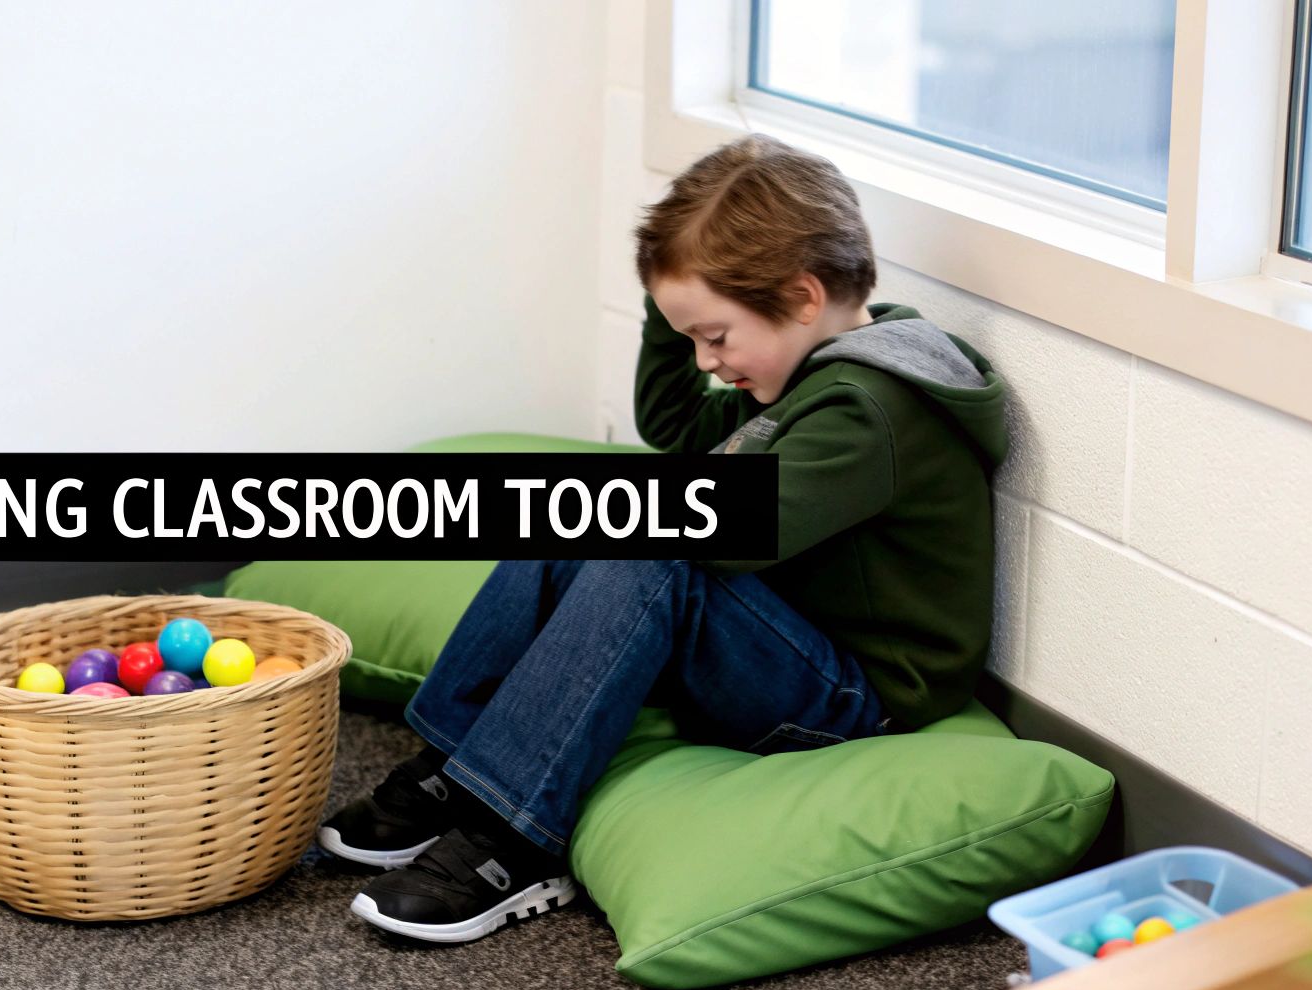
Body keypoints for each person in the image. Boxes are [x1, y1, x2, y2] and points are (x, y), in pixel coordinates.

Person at [318, 133, 1008, 945]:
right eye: (693, 341)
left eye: (716, 337)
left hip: (853, 699)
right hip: (781, 640)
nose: (707, 362)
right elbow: (678, 426)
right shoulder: (807, 366)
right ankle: (455, 764)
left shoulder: (869, 410)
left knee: (646, 542)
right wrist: (673, 290)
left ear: (802, 296)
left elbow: (715, 534)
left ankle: (517, 833)